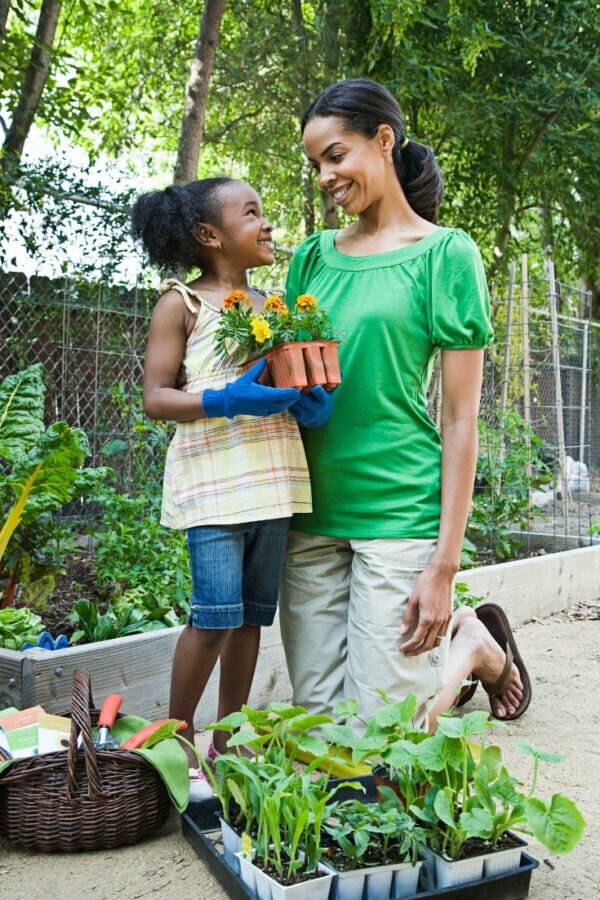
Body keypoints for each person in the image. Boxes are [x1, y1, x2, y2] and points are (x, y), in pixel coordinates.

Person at [279, 78, 530, 732]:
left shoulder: (445, 254)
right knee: (317, 725)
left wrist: (445, 565)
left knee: (382, 732)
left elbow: (459, 418)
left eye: (336, 156)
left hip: (398, 510)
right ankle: (470, 648)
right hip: (309, 515)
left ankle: (471, 644)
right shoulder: (311, 259)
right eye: (315, 166)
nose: (325, 177)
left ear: (383, 140)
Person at [132, 177, 333, 799]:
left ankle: (229, 738)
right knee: (213, 616)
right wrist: (224, 398)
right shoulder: (181, 304)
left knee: (249, 620)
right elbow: (156, 398)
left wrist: (308, 401)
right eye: (252, 213)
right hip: (215, 485)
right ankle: (179, 735)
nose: (266, 223)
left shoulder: (275, 307)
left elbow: (292, 378)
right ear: (210, 235)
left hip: (273, 479)